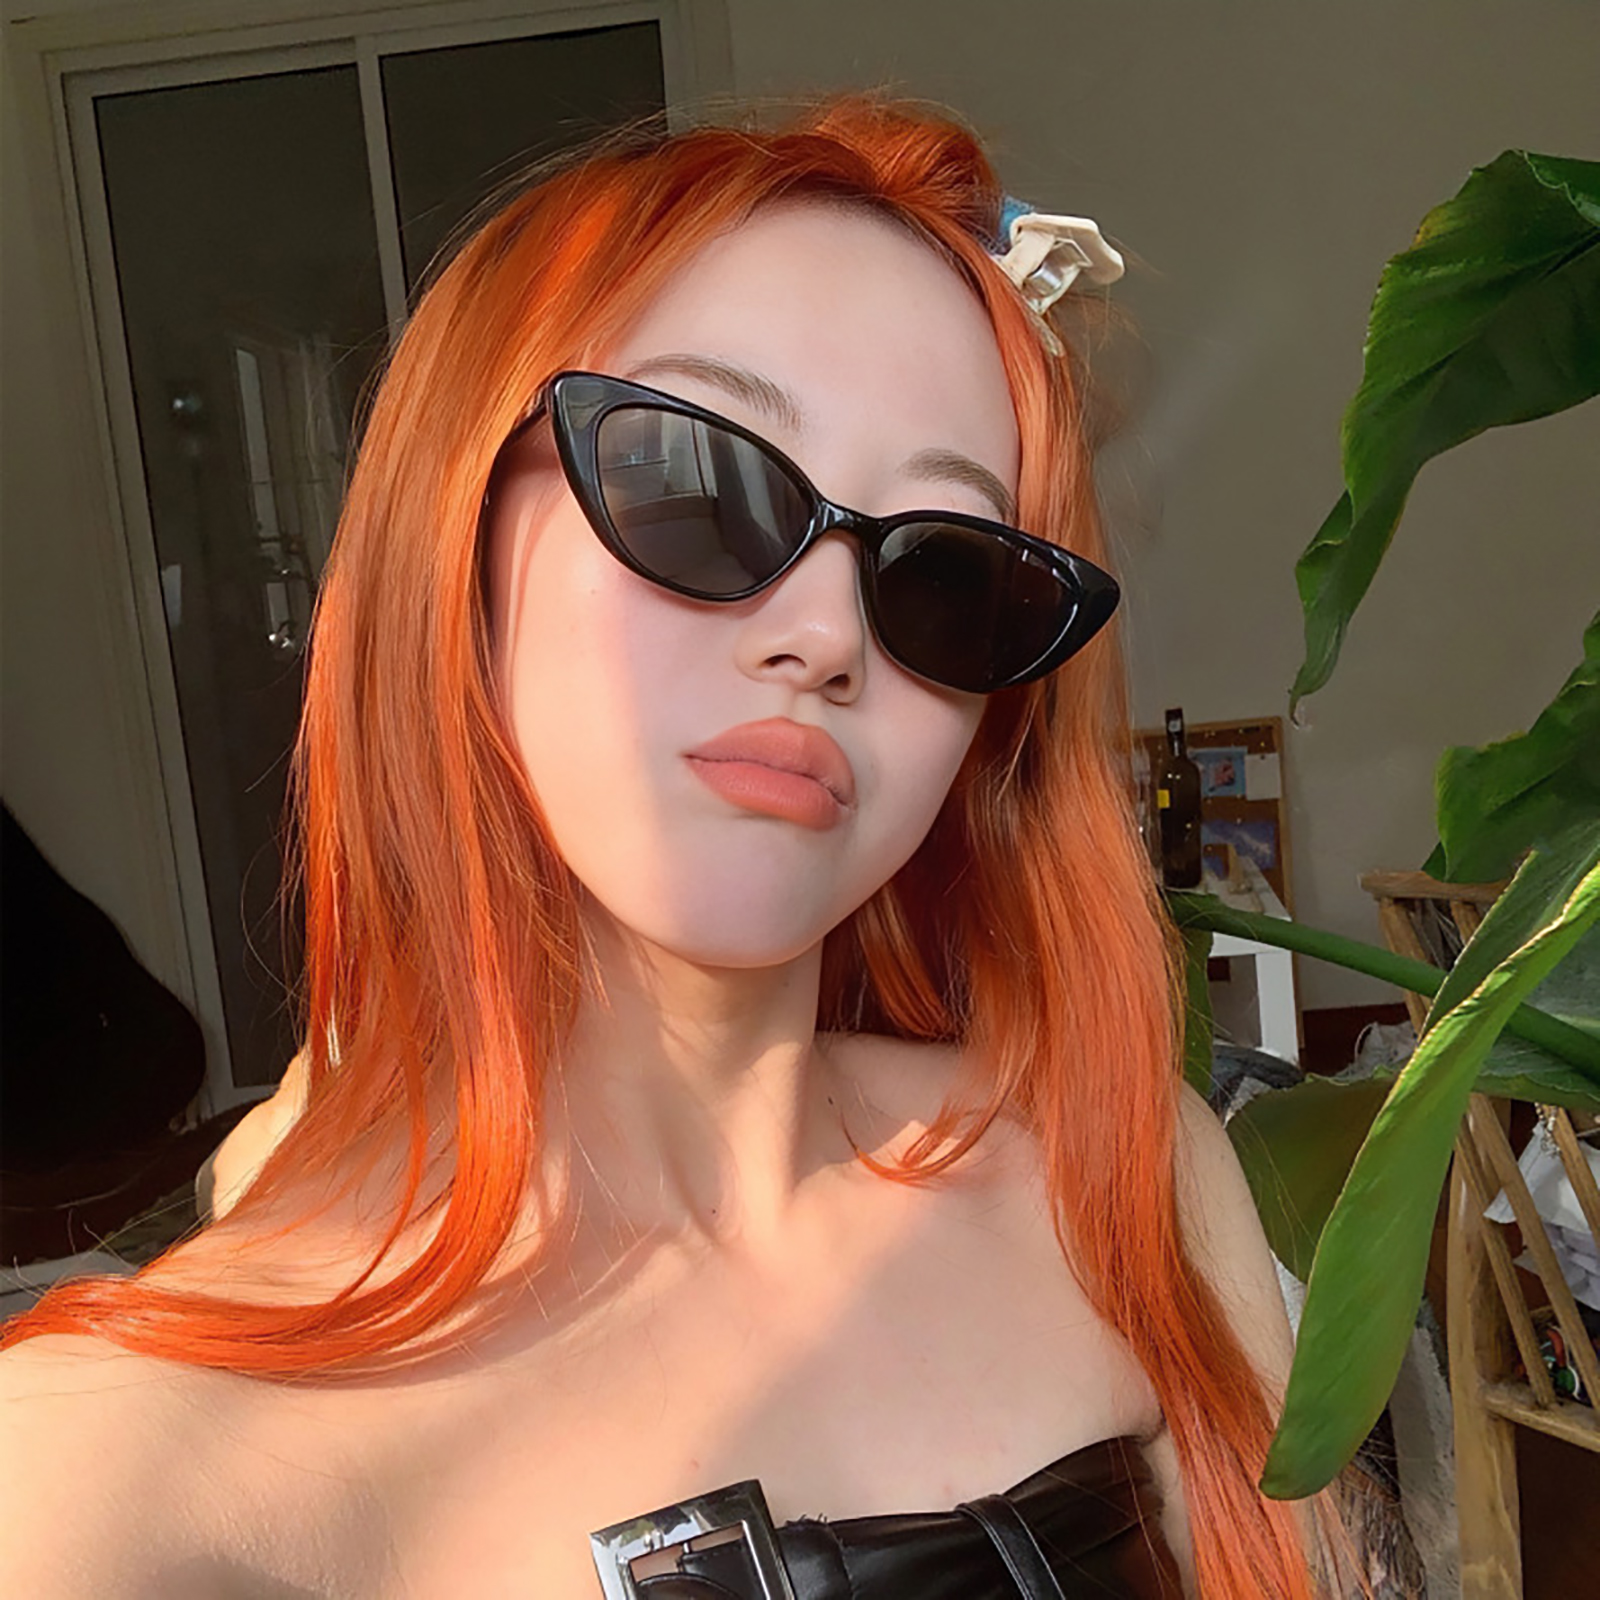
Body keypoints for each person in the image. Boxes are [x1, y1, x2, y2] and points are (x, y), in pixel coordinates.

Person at [0, 97, 1331, 1598]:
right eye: (696, 483)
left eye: (944, 570)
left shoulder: (1126, 1175)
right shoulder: (100, 1465)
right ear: (454, 531)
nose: (826, 637)